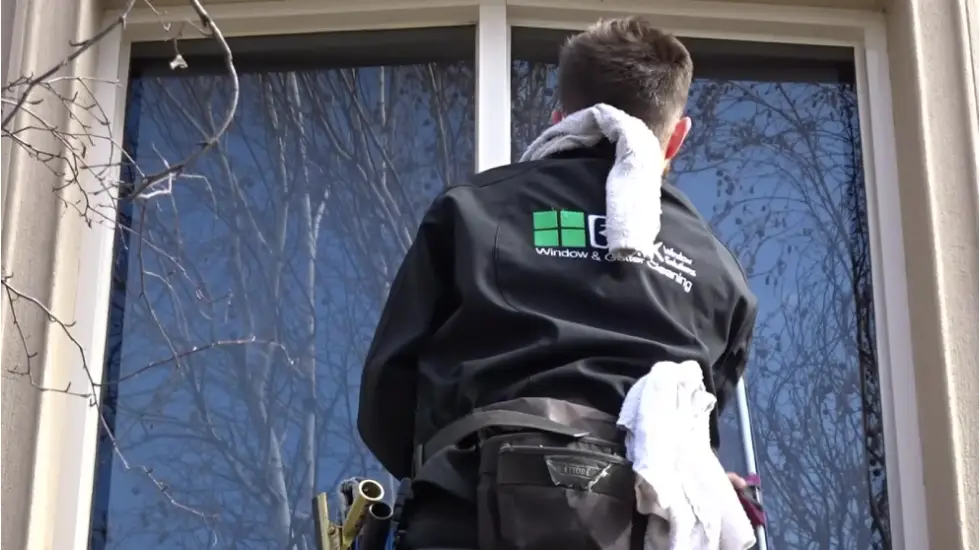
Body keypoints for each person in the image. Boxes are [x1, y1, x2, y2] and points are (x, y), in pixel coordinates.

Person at [357, 17, 758, 550]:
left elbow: (388, 398)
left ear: (560, 119)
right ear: (677, 138)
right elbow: (698, 428)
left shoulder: (473, 210)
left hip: (467, 517)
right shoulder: (716, 267)